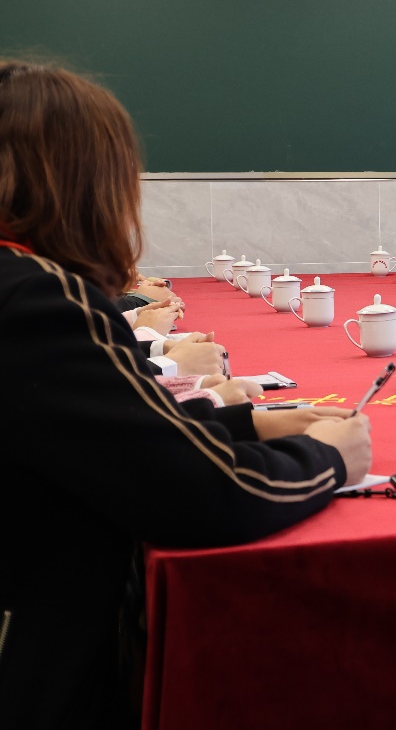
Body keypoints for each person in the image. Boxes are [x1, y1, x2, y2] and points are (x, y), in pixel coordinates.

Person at [0, 60, 373, 728]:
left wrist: (249, 423)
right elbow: (205, 493)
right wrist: (328, 459)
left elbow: (104, 433)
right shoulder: (38, 296)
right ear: (80, 184)